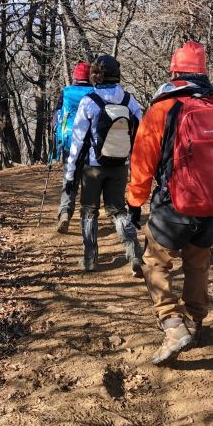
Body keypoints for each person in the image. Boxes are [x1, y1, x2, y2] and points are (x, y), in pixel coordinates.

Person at [126, 41, 213, 364]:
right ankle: (194, 320)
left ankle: (173, 323)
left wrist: (134, 202)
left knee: (153, 260)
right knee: (198, 261)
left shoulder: (162, 109)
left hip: (174, 206)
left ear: (174, 71)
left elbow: (142, 163)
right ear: (203, 73)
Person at [65, 54, 143, 275]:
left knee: (89, 211)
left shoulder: (89, 101)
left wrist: (70, 174)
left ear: (96, 75)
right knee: (118, 210)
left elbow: (78, 140)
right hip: (120, 164)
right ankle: (134, 253)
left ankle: (90, 259)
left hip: (93, 167)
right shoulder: (130, 100)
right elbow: (140, 132)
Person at [54, 62, 94, 234]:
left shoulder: (65, 92)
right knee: (88, 181)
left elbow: (57, 116)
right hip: (91, 144)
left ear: (75, 76)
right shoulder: (95, 93)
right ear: (89, 76)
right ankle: (87, 218)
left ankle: (65, 212)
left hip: (69, 142)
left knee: (69, 178)